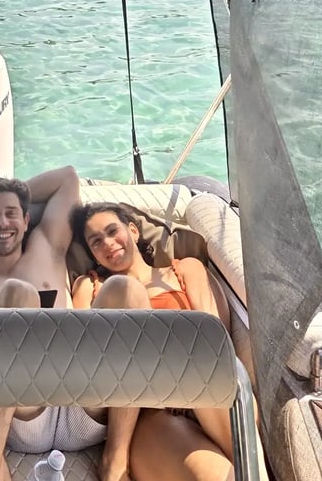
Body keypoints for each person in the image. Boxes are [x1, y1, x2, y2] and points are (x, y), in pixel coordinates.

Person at [0, 167, 107, 481]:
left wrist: (11, 191)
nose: (3, 223)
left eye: (11, 214)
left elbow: (67, 178)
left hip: (82, 399)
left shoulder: (46, 247)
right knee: (16, 293)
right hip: (23, 411)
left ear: (26, 220)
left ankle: (117, 457)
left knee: (121, 290)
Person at [69, 201, 234, 481]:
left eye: (113, 231)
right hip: (146, 414)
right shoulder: (92, 286)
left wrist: (179, 381)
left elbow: (215, 340)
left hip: (203, 389)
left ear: (133, 231)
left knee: (249, 466)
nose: (108, 243)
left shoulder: (184, 270)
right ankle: (116, 457)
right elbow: (83, 358)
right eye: (96, 241)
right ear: (92, 254)